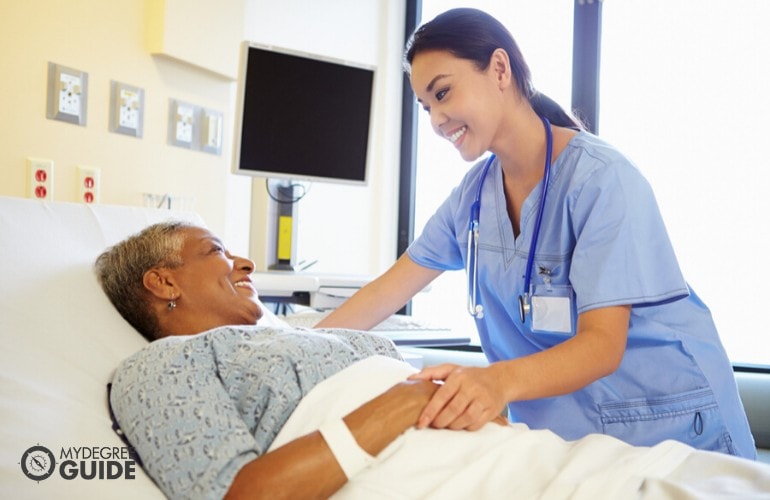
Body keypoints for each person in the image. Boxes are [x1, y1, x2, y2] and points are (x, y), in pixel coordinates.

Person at [315, 7, 756, 459]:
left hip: (672, 428)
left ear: (500, 69)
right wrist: (302, 346)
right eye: (426, 107)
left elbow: (602, 345)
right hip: (571, 443)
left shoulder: (603, 181)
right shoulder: (472, 198)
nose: (436, 120)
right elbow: (385, 292)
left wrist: (496, 382)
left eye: (443, 93)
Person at [97, 221, 770, 499]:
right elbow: (241, 495)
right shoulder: (161, 367)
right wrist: (407, 401)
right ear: (162, 282)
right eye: (216, 251)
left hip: (537, 463)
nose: (244, 261)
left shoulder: (298, 335)